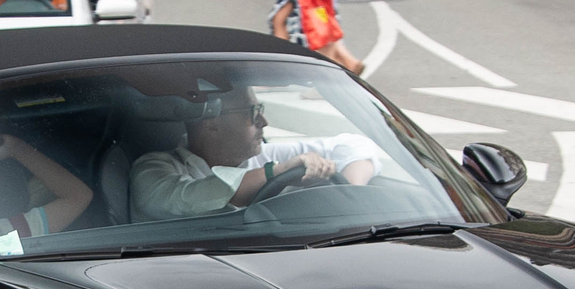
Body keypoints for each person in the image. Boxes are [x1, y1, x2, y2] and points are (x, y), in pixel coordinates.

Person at [129, 90, 386, 222]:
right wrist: (278, 173)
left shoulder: (260, 157)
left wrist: (351, 193)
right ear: (212, 123)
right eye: (252, 112)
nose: (264, 121)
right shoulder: (153, 169)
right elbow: (192, 197)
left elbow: (354, 144)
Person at [0, 129, 93, 247]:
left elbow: (79, 196)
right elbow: (78, 197)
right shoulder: (2, 241)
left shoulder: (5, 237)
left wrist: (16, 148)